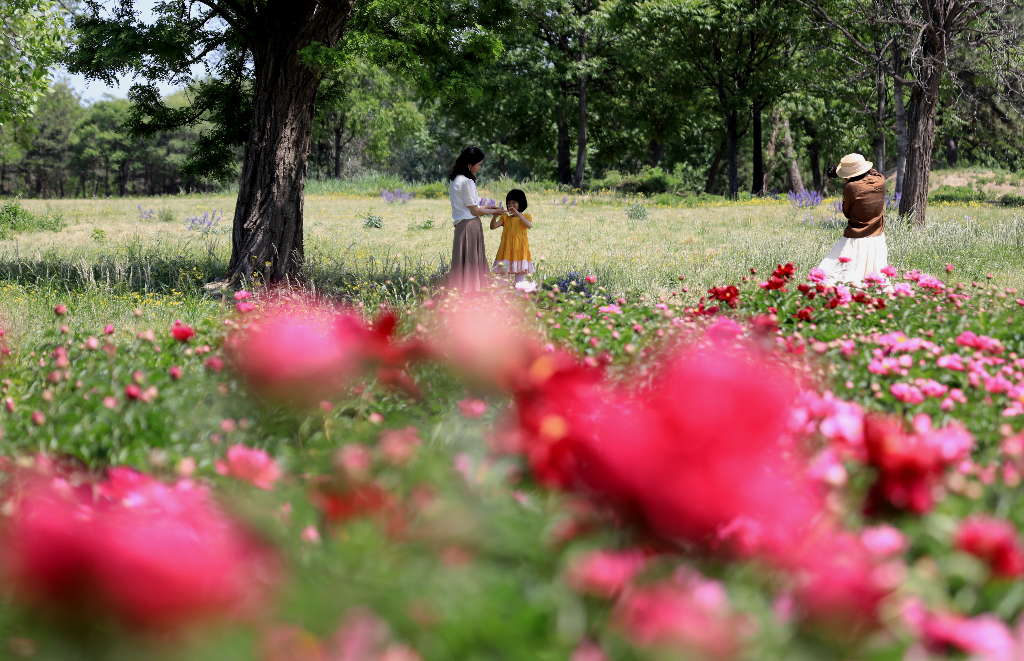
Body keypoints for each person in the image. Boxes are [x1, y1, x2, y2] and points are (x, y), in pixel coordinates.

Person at [816, 153, 888, 286]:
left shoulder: (851, 187)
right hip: (877, 235)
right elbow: (873, 172)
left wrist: (842, 175)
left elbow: (847, 212)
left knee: (834, 272)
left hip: (856, 235)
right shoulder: (881, 180)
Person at [448, 146, 505, 290]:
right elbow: (474, 211)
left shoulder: (455, 180)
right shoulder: (467, 182)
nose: (479, 167)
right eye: (479, 164)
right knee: (472, 261)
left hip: (461, 226)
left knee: (462, 261)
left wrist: (492, 208)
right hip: (470, 225)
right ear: (469, 165)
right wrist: (494, 212)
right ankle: (473, 292)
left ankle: (460, 291)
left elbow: (474, 202)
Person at [490, 189, 535, 285]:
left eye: (514, 203)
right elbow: (493, 227)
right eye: (509, 203)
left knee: (521, 281)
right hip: (506, 251)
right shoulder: (505, 218)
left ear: (521, 203)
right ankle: (501, 297)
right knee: (501, 280)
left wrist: (517, 213)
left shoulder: (525, 216)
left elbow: (529, 225)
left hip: (520, 252)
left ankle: (520, 296)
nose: (511, 205)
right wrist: (494, 216)